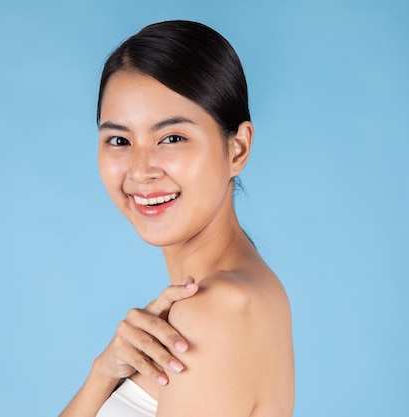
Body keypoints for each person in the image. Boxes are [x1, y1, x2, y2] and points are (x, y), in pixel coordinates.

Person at [60, 20, 295, 417]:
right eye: (119, 140)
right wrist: (103, 372)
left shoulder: (214, 311)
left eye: (171, 138)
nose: (140, 170)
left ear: (237, 150)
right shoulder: (240, 292)